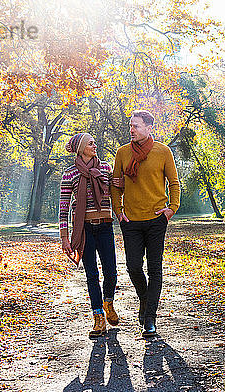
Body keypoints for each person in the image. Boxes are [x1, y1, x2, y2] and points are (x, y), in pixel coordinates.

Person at [111, 110, 180, 338]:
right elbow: (116, 185)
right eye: (131, 126)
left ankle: (149, 318)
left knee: (154, 269)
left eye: (137, 126)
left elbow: (174, 183)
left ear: (149, 127)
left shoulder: (163, 151)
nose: (132, 130)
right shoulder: (122, 153)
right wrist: (118, 211)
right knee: (133, 266)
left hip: (156, 220)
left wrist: (172, 209)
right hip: (130, 221)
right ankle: (146, 299)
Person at [59, 132, 119, 338]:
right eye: (91, 143)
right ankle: (98, 317)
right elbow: (64, 207)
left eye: (94, 142)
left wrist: (120, 183)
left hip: (105, 226)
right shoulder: (69, 174)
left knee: (111, 272)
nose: (95, 145)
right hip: (84, 229)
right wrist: (64, 237)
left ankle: (108, 302)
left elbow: (116, 190)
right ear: (81, 148)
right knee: (91, 274)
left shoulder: (106, 168)